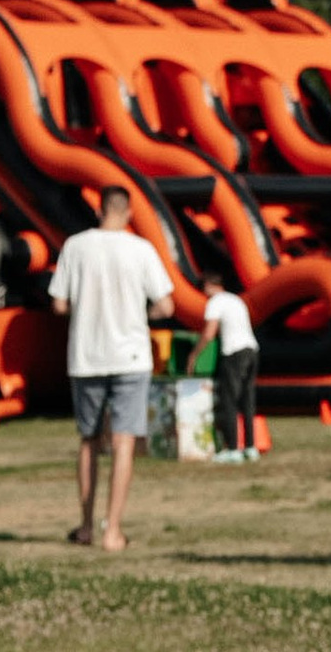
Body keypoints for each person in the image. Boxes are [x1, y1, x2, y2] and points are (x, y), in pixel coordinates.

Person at [52, 182, 172, 554]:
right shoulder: (140, 250)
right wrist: (141, 314)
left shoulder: (75, 246)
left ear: (99, 209)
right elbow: (166, 306)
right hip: (131, 356)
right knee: (123, 441)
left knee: (88, 441)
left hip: (86, 354)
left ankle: (87, 525)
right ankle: (113, 531)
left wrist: (85, 311)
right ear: (129, 211)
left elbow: (58, 304)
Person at [194, 252, 259, 463]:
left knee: (229, 401)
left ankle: (232, 448)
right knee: (247, 400)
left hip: (234, 352)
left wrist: (195, 355)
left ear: (208, 286)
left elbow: (209, 332)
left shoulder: (215, 302)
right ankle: (250, 446)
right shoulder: (236, 300)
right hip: (252, 349)